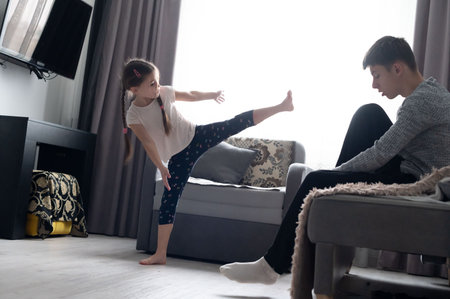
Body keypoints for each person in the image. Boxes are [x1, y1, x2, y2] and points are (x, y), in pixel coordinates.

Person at [219, 36, 450, 294]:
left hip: (416, 182)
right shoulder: (429, 92)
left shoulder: (421, 102)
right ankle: (332, 197)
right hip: (411, 170)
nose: (374, 84)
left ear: (397, 68)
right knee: (369, 114)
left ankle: (271, 266)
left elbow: (381, 153)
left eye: (376, 75)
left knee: (315, 181)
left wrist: (334, 174)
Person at [120, 58, 294, 265]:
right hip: (177, 158)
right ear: (134, 89)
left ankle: (282, 106)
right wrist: (161, 166)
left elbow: (192, 95)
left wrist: (212, 95)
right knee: (169, 201)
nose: (157, 86)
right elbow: (148, 143)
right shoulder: (133, 115)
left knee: (235, 123)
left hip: (196, 136)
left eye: (157, 81)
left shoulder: (164, 93)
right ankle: (160, 254)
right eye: (151, 84)